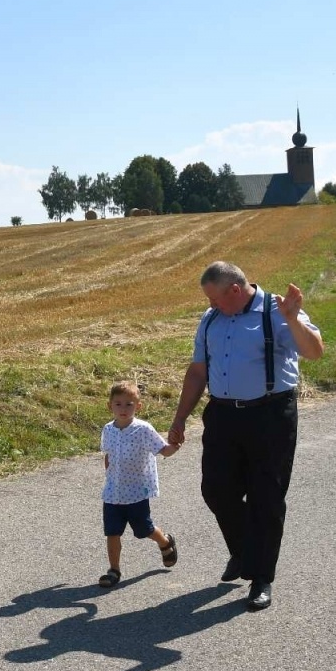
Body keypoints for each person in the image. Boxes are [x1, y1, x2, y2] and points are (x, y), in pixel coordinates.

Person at [169, 261, 324, 613]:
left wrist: (293, 319)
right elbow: (197, 373)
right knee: (216, 490)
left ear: (235, 291)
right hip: (223, 414)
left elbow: (315, 351)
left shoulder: (276, 311)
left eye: (214, 298)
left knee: (265, 497)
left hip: (269, 414)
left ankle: (261, 578)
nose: (210, 306)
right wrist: (180, 417)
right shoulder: (210, 320)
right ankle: (244, 551)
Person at [97, 380, 180, 589]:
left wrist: (175, 444)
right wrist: (109, 474)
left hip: (136, 492)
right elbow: (108, 455)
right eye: (118, 404)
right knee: (112, 531)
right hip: (112, 493)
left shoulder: (143, 429)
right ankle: (113, 569)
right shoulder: (108, 429)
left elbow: (163, 450)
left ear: (138, 406)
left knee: (144, 529)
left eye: (129, 404)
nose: (123, 409)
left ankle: (165, 542)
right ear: (110, 406)